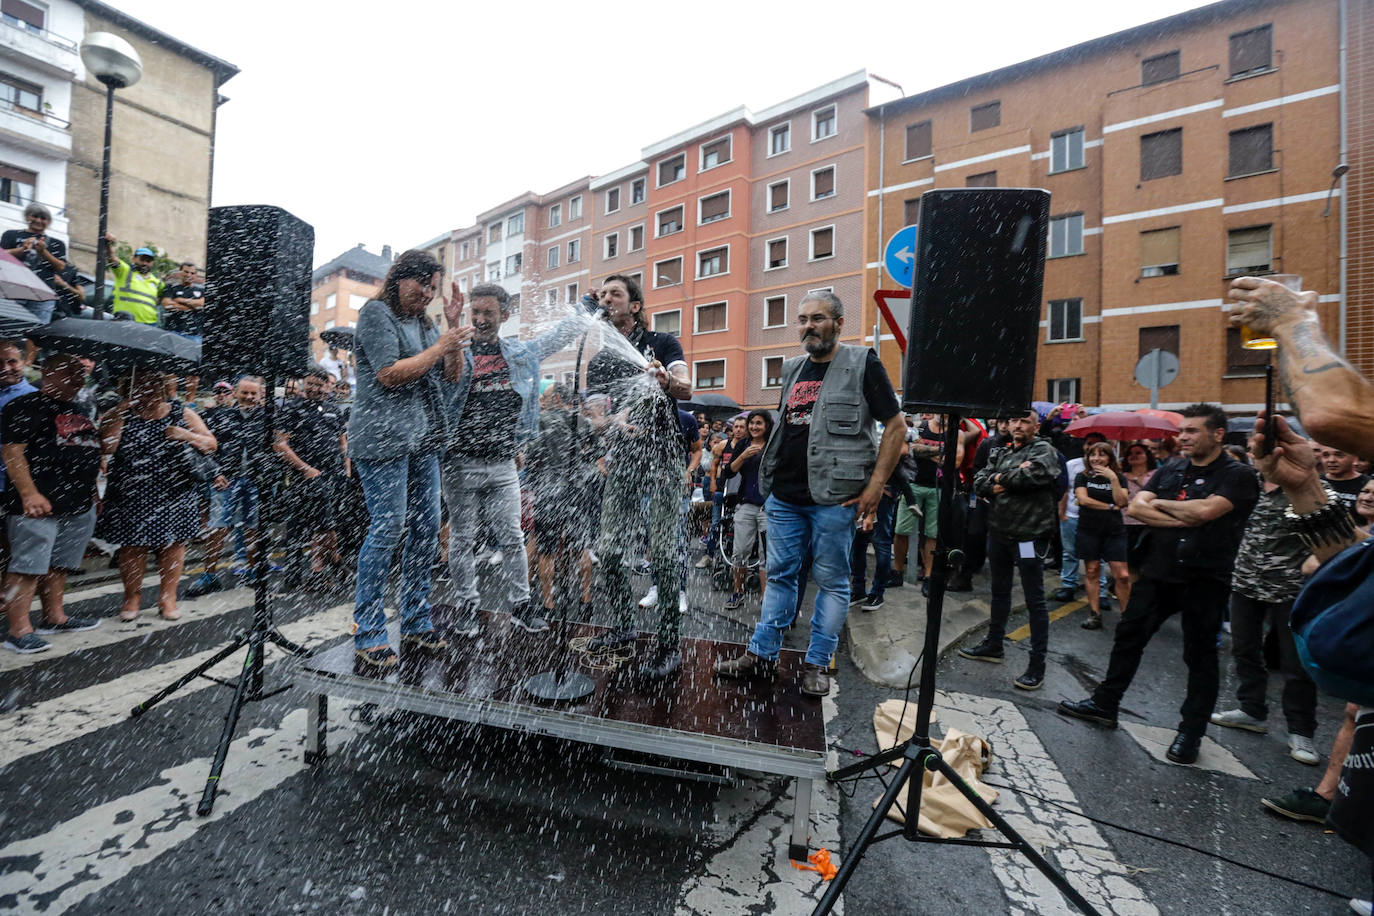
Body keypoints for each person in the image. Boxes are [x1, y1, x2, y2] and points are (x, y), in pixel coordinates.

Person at [715, 291, 905, 698]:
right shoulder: (792, 369)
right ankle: (761, 654)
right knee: (780, 575)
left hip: (835, 498)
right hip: (784, 495)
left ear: (838, 322)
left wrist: (875, 487)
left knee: (833, 582)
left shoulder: (863, 362)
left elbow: (896, 427)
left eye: (817, 318)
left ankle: (818, 663)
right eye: (802, 319)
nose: (807, 326)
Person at [1058, 404, 1259, 764]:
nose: (1183, 437)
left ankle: (1191, 731)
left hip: (1204, 576)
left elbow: (1206, 513)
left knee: (1199, 655)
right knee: (1128, 636)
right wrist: (1185, 517)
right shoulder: (1173, 468)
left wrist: (1169, 508)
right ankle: (1106, 703)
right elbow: (1135, 508)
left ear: (1217, 435)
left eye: (1193, 431)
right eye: (1182, 431)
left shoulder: (1238, 474)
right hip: (1158, 571)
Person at [348, 250, 469, 670]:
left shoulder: (427, 323)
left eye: (434, 288)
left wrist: (451, 331)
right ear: (400, 279)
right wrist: (439, 346)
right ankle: (369, 629)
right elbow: (389, 373)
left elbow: (451, 375)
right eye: (423, 284)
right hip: (382, 440)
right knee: (388, 527)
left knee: (424, 530)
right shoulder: (375, 313)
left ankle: (416, 619)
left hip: (422, 441)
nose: (428, 293)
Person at [440, 282, 580, 635]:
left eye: (488, 313)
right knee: (462, 539)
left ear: (505, 314)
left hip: (503, 463)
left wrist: (590, 306)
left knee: (513, 538)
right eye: (476, 313)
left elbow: (556, 338)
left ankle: (520, 604)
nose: (481, 319)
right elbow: (447, 380)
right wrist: (453, 329)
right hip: (460, 462)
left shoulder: (518, 353)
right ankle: (467, 607)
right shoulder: (456, 350)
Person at [582, 274, 692, 680]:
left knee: (663, 554)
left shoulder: (663, 343)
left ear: (635, 305)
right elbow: (595, 420)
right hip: (624, 460)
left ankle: (668, 644)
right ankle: (624, 626)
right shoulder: (599, 360)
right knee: (608, 551)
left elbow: (686, 385)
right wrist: (613, 422)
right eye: (603, 294)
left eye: (616, 293)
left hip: (664, 456)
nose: (607, 298)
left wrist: (667, 380)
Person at [1209, 447, 1321, 765]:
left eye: (1264, 452)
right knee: (1244, 648)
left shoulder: (1308, 488)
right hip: (1245, 582)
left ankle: (1301, 731)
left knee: (1294, 663)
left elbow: (1329, 538)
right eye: (1254, 452)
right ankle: (1251, 710)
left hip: (1290, 588)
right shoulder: (1245, 484)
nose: (1258, 458)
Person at [0, 352, 102, 653]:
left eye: (80, 373)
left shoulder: (80, 408)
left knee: (59, 564)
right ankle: (19, 630)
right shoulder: (24, 405)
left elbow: (86, 451)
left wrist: (93, 492)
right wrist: (29, 493)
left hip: (77, 502)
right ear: (48, 373)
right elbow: (12, 452)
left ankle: (54, 617)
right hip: (38, 502)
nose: (78, 378)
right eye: (70, 372)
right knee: (28, 566)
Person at [98, 370, 217, 622]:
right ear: (128, 386)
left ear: (163, 386)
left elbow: (211, 443)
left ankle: (167, 597)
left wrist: (185, 435)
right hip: (130, 493)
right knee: (131, 547)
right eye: (140, 383)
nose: (147, 388)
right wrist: (121, 409)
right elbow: (107, 445)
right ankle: (132, 597)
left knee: (173, 546)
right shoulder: (122, 413)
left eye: (153, 383)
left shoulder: (181, 412)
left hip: (174, 491)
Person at [958, 408, 1060, 689]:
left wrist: (1000, 479)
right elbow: (979, 482)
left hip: (1029, 536)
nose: (1017, 425)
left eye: (1025, 420)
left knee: (1034, 599)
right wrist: (1005, 477)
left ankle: (1036, 666)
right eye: (1014, 420)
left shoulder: (1044, 450)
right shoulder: (1000, 450)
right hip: (1000, 533)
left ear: (1036, 426)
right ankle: (994, 644)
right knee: (999, 591)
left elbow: (1036, 476)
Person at [188, 376, 266, 596]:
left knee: (253, 527)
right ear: (235, 393)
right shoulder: (219, 417)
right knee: (217, 527)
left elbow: (274, 449)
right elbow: (201, 447)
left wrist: (266, 474)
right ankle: (210, 575)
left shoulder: (266, 419)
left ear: (260, 395)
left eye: (254, 394)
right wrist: (214, 473)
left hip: (254, 480)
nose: (249, 397)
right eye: (245, 393)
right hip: (225, 480)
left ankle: (252, 571)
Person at [276, 367, 349, 585]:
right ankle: (304, 572)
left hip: (333, 472)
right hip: (304, 476)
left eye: (319, 384)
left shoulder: (332, 408)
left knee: (326, 521)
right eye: (310, 384)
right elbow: (281, 444)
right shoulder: (290, 408)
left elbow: (342, 439)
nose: (314, 388)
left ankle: (318, 570)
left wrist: (346, 467)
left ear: (326, 385)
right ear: (303, 384)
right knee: (301, 524)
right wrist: (305, 469)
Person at [1073, 442, 1132, 629]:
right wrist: (1110, 507)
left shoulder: (1120, 478)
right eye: (1093, 455)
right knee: (1092, 571)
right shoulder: (1082, 477)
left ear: (1110, 458)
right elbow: (1083, 500)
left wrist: (1113, 479)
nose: (1096, 458)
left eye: (1102, 454)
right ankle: (1095, 614)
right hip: (1088, 529)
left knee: (1122, 575)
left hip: (1114, 531)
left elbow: (1122, 501)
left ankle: (1127, 617)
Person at [720, 409, 772, 611]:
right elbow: (729, 472)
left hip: (769, 506)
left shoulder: (772, 445)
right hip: (746, 504)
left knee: (767, 554)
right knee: (740, 551)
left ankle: (766, 597)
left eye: (758, 423)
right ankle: (737, 592)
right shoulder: (743, 444)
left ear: (766, 425)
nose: (754, 427)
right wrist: (743, 456)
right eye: (752, 423)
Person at [1, 204, 66, 323]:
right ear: (27, 217)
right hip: (12, 289)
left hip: (43, 293)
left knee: (37, 334)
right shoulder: (10, 234)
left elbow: (61, 266)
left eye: (43, 218)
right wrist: (21, 250)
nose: (38, 220)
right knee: (6, 333)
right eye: (35, 216)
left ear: (49, 222)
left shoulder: (57, 243)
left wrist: (43, 252)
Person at [103, 234, 165, 325]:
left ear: (152, 263)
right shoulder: (125, 271)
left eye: (148, 261)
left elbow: (164, 297)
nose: (145, 263)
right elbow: (112, 258)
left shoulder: (157, 282)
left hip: (150, 324)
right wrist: (107, 244)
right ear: (134, 259)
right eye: (142, 259)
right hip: (124, 321)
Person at [1120, 442, 1156, 578]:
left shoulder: (1156, 474)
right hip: (1125, 524)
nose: (1133, 456)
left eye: (1138, 453)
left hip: (1148, 525)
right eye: (1130, 453)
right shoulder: (1121, 476)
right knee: (1129, 564)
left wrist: (1136, 480)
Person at [1317, 443, 1370, 525]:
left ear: (1354, 458)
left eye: (1339, 455)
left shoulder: (1368, 485)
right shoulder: (1315, 482)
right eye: (1326, 455)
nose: (1331, 460)